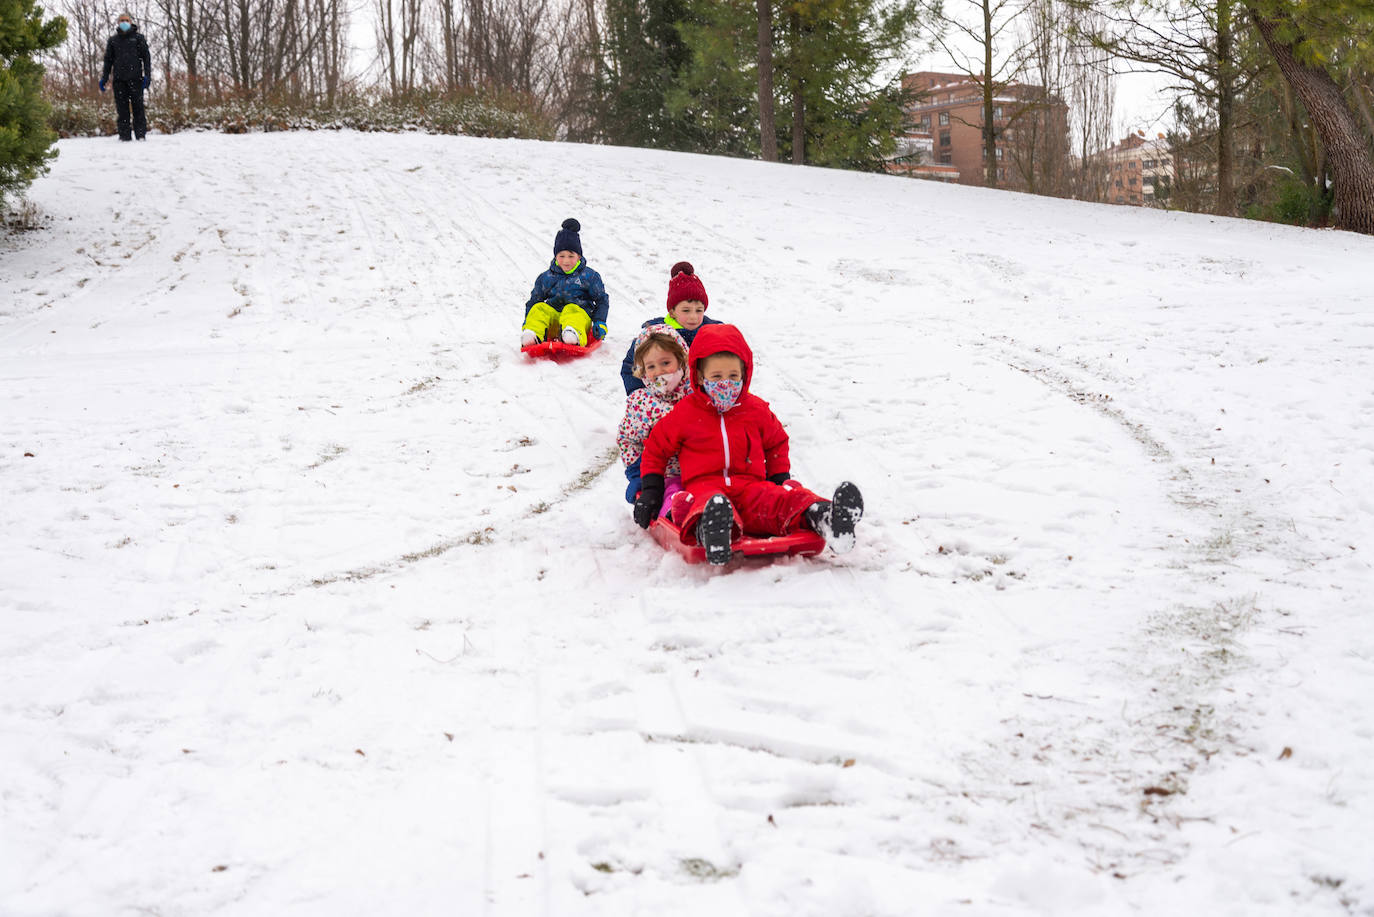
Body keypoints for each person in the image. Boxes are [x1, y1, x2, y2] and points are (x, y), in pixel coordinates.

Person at [633, 323, 864, 565]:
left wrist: (778, 479)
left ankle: (827, 519)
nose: (726, 383)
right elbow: (656, 448)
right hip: (705, 486)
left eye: (733, 376)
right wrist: (651, 489)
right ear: (700, 376)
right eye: (716, 377)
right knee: (706, 504)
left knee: (783, 500)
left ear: (745, 373)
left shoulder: (755, 410)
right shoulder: (686, 413)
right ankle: (713, 532)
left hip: (750, 486)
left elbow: (776, 442)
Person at [617, 325, 690, 515]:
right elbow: (628, 439)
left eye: (666, 363)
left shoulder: (696, 395)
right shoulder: (641, 402)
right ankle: (674, 515)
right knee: (671, 494)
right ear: (642, 371)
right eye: (651, 367)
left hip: (702, 469)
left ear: (682, 360)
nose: (659, 372)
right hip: (662, 476)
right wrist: (637, 474)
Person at [620, 261, 722, 395]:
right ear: (672, 312)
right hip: (663, 401)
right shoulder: (655, 335)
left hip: (701, 401)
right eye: (686, 310)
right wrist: (640, 395)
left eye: (699, 310)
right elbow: (630, 366)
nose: (693, 317)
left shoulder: (712, 332)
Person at [521, 218, 609, 348]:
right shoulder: (546, 277)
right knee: (540, 308)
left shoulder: (589, 276)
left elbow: (601, 299)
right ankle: (533, 334)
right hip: (554, 323)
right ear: (555, 256)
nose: (566, 261)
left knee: (572, 309)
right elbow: (534, 301)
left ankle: (572, 335)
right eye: (561, 256)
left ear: (579, 256)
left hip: (578, 321)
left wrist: (600, 321)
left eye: (571, 256)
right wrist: (528, 320)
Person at [100, 12, 152, 142]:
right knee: (122, 110)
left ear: (130, 22)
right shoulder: (113, 41)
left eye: (126, 20)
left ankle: (140, 135)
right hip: (119, 80)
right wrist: (104, 78)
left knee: (138, 108)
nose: (124, 22)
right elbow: (108, 61)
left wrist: (148, 75)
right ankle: (124, 136)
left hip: (136, 79)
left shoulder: (139, 38)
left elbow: (146, 58)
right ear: (118, 23)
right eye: (122, 20)